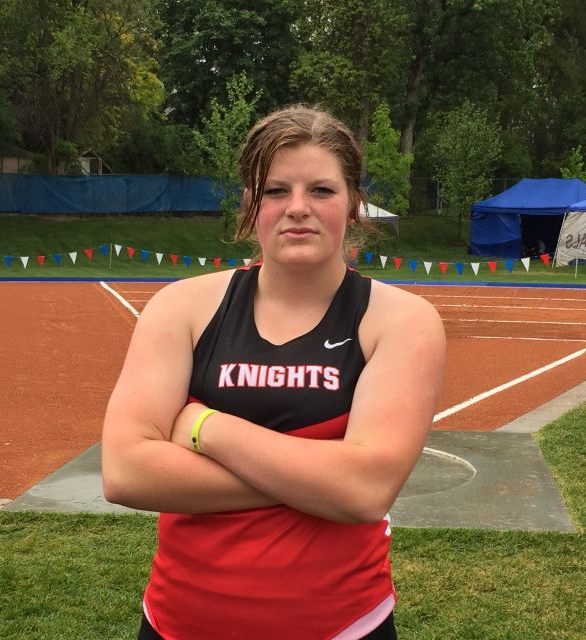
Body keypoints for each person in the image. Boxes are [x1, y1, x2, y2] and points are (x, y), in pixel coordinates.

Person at [101, 105, 446, 639]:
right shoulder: (183, 308)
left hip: (345, 627)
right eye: (276, 190)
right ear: (250, 204)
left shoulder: (400, 320)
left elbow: (364, 492)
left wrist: (202, 428)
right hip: (178, 623)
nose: (298, 208)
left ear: (354, 204)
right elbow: (126, 472)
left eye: (322, 191)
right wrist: (320, 478)